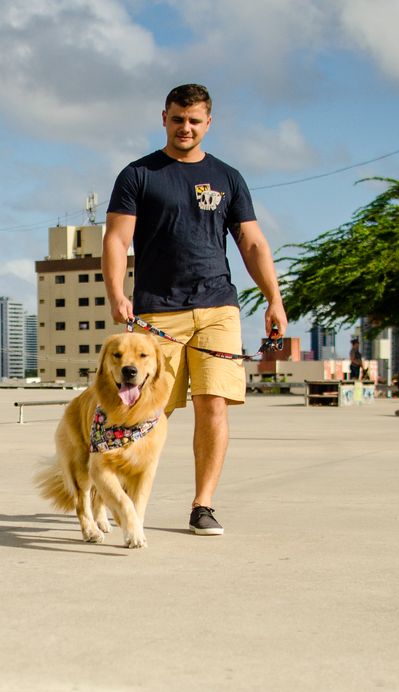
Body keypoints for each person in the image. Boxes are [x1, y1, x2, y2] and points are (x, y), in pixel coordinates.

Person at [103, 83, 287, 537]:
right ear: (163, 117)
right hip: (157, 311)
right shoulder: (138, 174)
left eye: (195, 120)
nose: (186, 127)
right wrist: (115, 292)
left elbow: (252, 242)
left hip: (217, 307)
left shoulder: (228, 178)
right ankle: (119, 495)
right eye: (178, 118)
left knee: (213, 407)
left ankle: (202, 504)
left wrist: (274, 298)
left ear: (208, 123)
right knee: (145, 409)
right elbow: (116, 238)